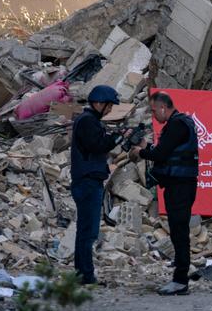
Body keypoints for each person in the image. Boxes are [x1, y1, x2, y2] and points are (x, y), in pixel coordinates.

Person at [131, 91, 198, 295]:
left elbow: (160, 154)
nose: (154, 115)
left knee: (179, 231)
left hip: (180, 186)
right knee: (178, 230)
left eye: (154, 110)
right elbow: (166, 151)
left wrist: (140, 152)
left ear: (163, 107)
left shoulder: (176, 124)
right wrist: (147, 146)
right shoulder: (178, 124)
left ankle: (180, 280)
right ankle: (181, 269)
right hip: (178, 185)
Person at [69, 84, 121, 285]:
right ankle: (85, 276)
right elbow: (97, 146)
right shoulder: (88, 121)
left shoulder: (88, 120)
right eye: (108, 106)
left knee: (86, 230)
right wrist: (116, 138)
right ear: (98, 103)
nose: (109, 111)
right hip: (88, 182)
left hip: (88, 181)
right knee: (87, 231)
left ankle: (83, 273)